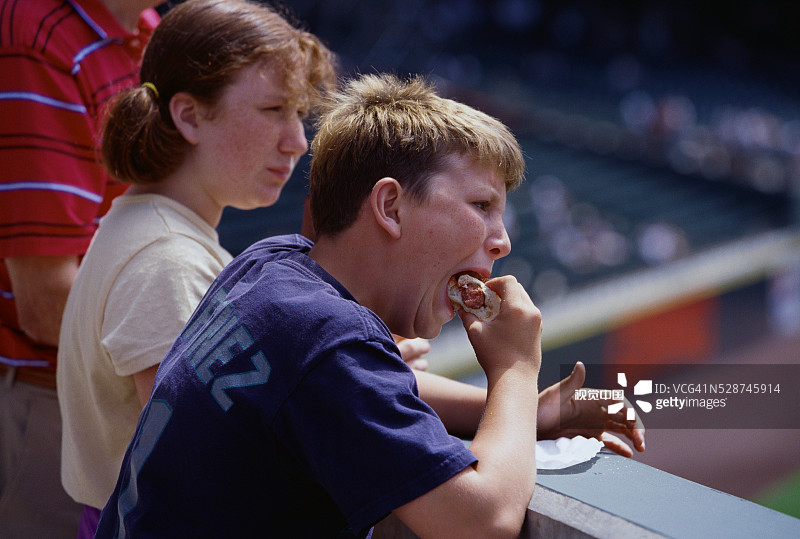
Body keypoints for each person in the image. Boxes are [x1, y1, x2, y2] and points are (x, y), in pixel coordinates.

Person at [96, 73, 643, 538]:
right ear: (390, 206)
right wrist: (516, 369)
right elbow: (485, 521)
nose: (501, 241)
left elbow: (348, 382)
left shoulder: (272, 265)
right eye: (481, 205)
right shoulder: (325, 335)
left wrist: (523, 415)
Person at [55, 0, 336, 536]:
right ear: (188, 115)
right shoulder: (166, 260)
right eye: (274, 109)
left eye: (298, 114)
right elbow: (197, 464)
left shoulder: (154, 232)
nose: (298, 141)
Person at [0, 1, 161, 536]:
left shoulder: (143, 26)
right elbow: (46, 306)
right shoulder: (38, 38)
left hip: (102, 396)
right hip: (44, 407)